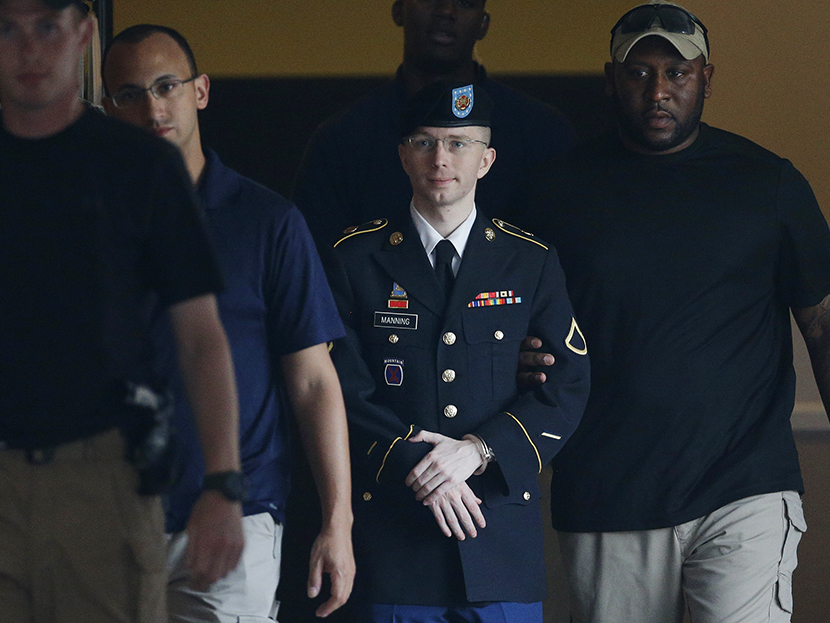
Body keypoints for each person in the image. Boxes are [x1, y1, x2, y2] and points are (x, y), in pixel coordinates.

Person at [524, 2, 830, 622]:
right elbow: (510, 319)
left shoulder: (768, 183)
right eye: (638, 73)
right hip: (607, 491)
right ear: (611, 80)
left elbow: (821, 324)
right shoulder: (555, 193)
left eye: (677, 72)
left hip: (743, 483)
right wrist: (518, 358)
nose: (658, 90)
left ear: (707, 79)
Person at [0, 1, 246, 621]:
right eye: (7, 29)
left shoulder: (140, 166)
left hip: (101, 476)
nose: (29, 51)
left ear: (82, 36)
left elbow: (200, 339)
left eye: (46, 28)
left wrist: (223, 483)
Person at [102, 24, 355, 621]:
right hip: (104, 518)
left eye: (167, 85)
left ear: (201, 92)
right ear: (107, 110)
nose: (153, 106)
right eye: (131, 93)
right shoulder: (85, 226)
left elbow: (314, 381)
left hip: (230, 516)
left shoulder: (267, 222)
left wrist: (337, 520)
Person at [326, 81, 590, 622]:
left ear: (486, 160)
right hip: (394, 543)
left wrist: (478, 451)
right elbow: (336, 387)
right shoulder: (353, 259)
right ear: (403, 155)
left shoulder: (529, 261)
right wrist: (418, 465)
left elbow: (567, 383)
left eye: (459, 143)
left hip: (497, 541)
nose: (440, 158)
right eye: (424, 142)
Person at [292, 0, 576, 249]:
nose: (446, 11)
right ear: (398, 9)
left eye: (465, 2)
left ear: (483, 24)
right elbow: (316, 267)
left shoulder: (541, 132)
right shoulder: (342, 138)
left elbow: (559, 258)